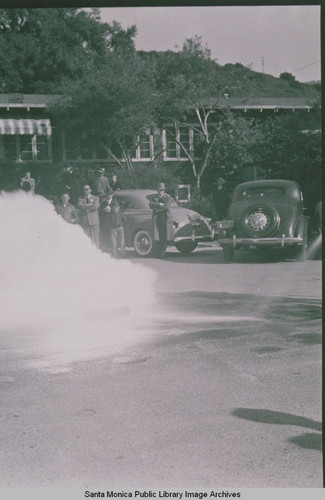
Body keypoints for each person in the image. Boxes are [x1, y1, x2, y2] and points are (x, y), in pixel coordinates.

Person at [149, 182, 174, 258]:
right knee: (157, 236)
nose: (160, 191)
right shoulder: (155, 197)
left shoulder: (168, 197)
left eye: (162, 190)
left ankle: (162, 253)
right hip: (157, 218)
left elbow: (167, 207)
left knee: (164, 236)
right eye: (159, 190)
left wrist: (157, 209)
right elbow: (150, 205)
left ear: (164, 190)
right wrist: (159, 204)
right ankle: (160, 252)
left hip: (165, 219)